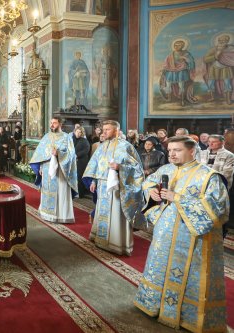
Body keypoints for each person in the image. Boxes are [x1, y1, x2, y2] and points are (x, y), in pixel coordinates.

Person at [134, 136, 229, 332]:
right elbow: (148, 183)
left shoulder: (208, 176)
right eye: (170, 150)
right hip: (165, 234)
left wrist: (177, 197)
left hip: (192, 238)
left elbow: (217, 208)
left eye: (177, 150)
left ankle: (188, 317)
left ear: (192, 151)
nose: (172, 154)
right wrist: (151, 191)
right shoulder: (165, 170)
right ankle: (154, 306)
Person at [82, 120, 144, 256]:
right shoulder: (102, 146)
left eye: (107, 130)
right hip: (102, 185)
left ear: (116, 130)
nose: (103, 132)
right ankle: (101, 239)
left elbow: (138, 169)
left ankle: (117, 243)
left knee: (116, 214)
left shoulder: (126, 146)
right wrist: (93, 180)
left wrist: (120, 167)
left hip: (118, 185)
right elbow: (96, 164)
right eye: (103, 129)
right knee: (102, 212)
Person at [29, 117, 78, 223]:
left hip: (61, 170)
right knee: (47, 190)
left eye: (54, 123)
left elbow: (71, 154)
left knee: (60, 192)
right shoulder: (47, 136)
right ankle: (46, 213)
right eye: (51, 123)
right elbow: (41, 153)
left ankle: (60, 215)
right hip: (47, 169)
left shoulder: (66, 137)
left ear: (60, 124)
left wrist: (59, 153)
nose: (52, 125)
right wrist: (41, 167)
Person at [160, 39, 196, 106]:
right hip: (171, 70)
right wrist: (164, 69)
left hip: (181, 71)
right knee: (168, 84)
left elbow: (191, 62)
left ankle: (182, 100)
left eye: (178, 45)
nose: (176, 47)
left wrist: (185, 59)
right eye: (175, 45)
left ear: (182, 46)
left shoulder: (186, 53)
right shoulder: (171, 55)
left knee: (181, 86)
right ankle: (169, 98)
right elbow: (166, 62)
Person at [204, 34, 234, 104]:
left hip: (226, 68)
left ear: (228, 41)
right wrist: (215, 56)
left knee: (227, 84)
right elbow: (205, 59)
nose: (222, 42)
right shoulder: (214, 49)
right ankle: (213, 97)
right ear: (218, 41)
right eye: (221, 40)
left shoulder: (231, 49)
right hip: (214, 68)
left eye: (225, 40)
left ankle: (228, 99)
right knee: (211, 83)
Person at [73, 126, 90, 197]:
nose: (78, 134)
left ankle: (80, 193)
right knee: (74, 177)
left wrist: (77, 155)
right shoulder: (72, 139)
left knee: (80, 177)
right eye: (77, 132)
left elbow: (86, 150)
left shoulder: (84, 141)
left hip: (82, 161)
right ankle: (74, 192)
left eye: (80, 132)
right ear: (74, 132)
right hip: (74, 161)